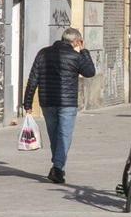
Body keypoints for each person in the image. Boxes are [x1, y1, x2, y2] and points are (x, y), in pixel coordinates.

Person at [22, 26, 96, 185]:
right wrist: (84, 51)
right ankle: (57, 167)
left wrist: (27, 102)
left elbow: (33, 78)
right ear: (77, 41)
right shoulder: (75, 56)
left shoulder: (43, 53)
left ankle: (57, 165)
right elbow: (90, 72)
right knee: (64, 136)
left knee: (55, 134)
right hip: (67, 103)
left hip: (47, 101)